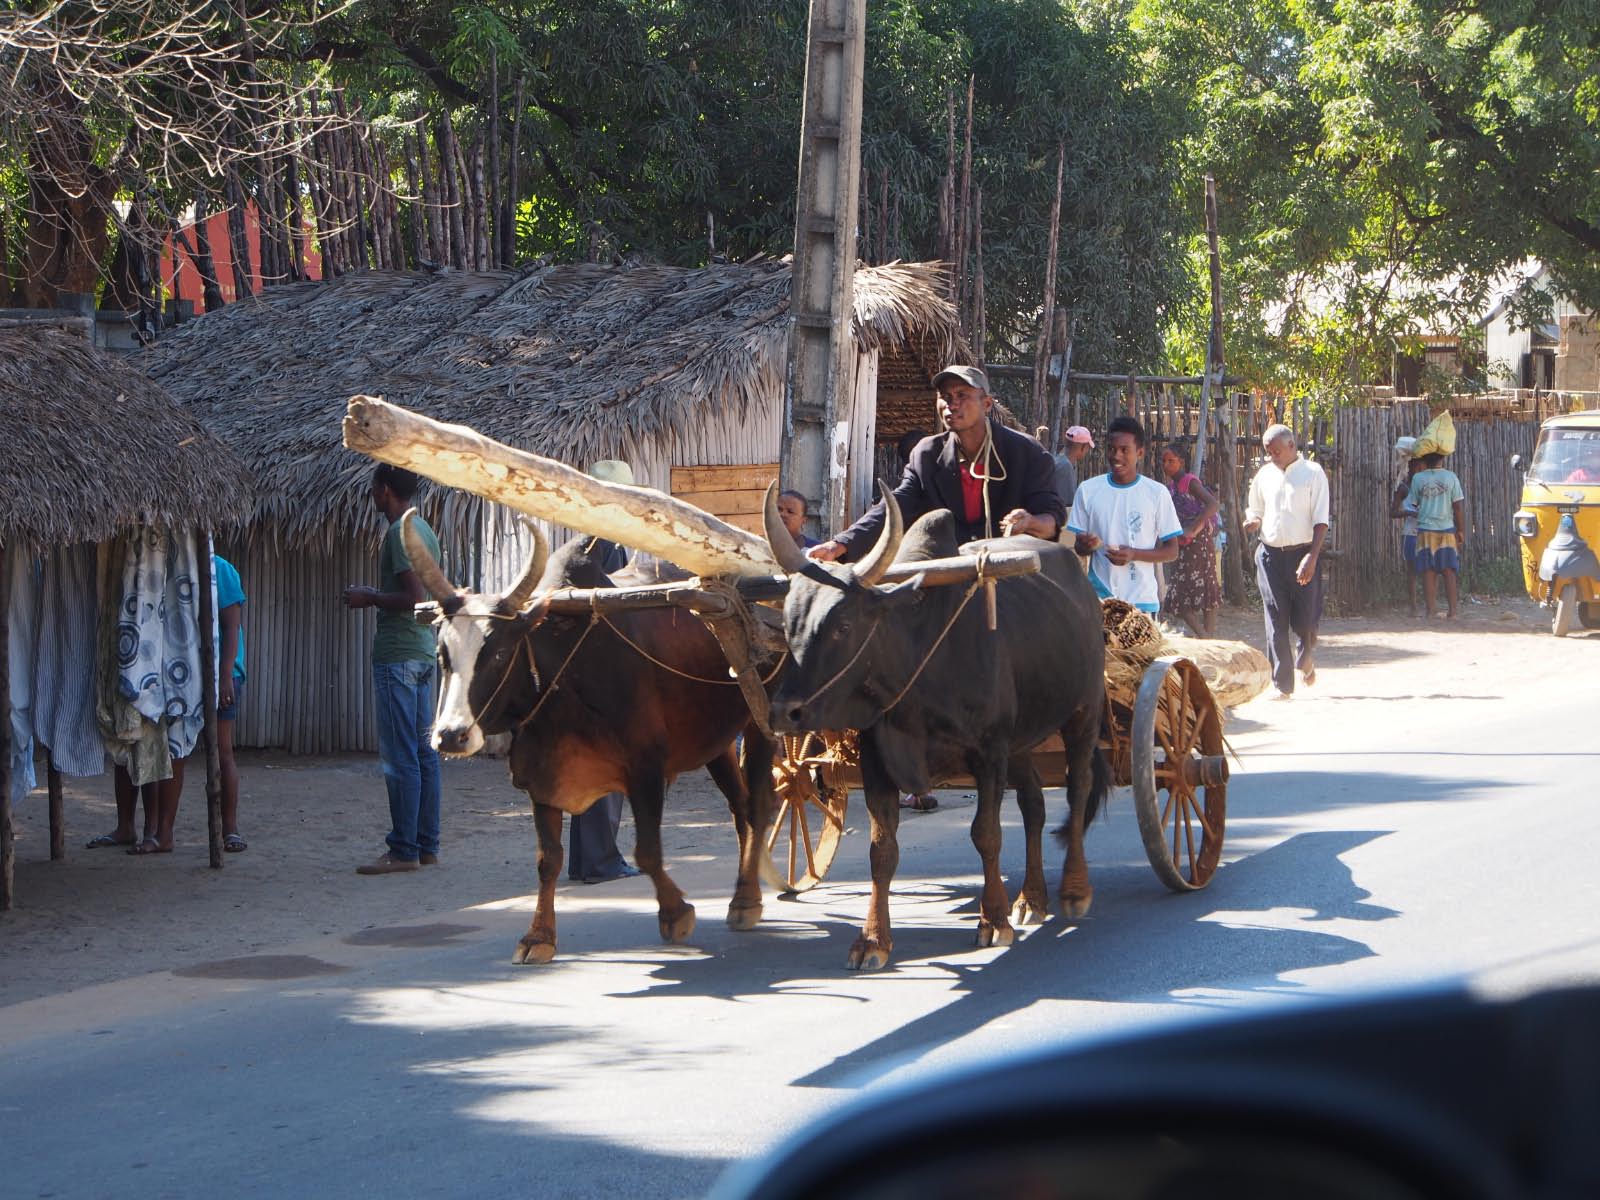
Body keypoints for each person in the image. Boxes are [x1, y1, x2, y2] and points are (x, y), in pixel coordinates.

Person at [808, 365, 1065, 564]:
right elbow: (896, 505)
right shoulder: (927, 454)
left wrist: (1029, 522)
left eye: (962, 395)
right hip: (947, 574)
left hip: (1013, 578)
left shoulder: (1027, 452)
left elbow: (1052, 519)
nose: (951, 403)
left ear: (986, 404)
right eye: (945, 396)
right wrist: (841, 544)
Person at [89, 551, 248, 855]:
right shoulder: (160, 567)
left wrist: (225, 673)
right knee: (161, 748)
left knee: (222, 750)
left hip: (220, 673)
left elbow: (231, 625)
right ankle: (153, 830)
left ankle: (229, 830)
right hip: (177, 673)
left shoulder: (221, 570)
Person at [343, 464, 443, 874]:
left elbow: (413, 597)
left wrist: (369, 597)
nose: (371, 494)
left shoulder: (399, 533)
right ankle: (426, 844)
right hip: (421, 652)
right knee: (423, 754)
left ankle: (404, 849)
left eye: (373, 488)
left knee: (401, 755)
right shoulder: (426, 530)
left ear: (384, 490)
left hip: (398, 654)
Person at [567, 460, 644, 883]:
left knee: (592, 764)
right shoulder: (603, 543)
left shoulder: (588, 541)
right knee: (609, 764)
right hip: (601, 670)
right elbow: (611, 602)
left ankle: (587, 859)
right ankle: (600, 860)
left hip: (582, 669)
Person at [1243, 424, 1329, 699]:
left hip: (1303, 553)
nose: (1272, 457)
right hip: (1269, 556)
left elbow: (1321, 521)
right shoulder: (1265, 474)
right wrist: (1253, 520)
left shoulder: (1313, 474)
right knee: (1276, 620)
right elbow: (1255, 507)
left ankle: (1306, 658)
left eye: (1276, 451)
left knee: (1306, 622)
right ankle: (1283, 685)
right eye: (1268, 452)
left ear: (1292, 445)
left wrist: (1312, 557)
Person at [1067, 415, 1183, 612]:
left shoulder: (1156, 493)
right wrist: (1085, 544)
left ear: (1139, 452)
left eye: (1124, 450)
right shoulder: (1088, 490)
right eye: (1112, 449)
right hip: (1099, 598)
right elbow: (1079, 548)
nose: (1116, 455)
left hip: (1142, 601)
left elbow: (1172, 551)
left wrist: (1134, 554)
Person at [1159, 444, 1222, 637]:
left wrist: (1194, 527)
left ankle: (1207, 638)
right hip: (1182, 544)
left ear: (1182, 462)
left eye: (1171, 461)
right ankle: (1206, 638)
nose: (1166, 465)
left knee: (1205, 589)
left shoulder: (1189, 482)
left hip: (1198, 543)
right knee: (1179, 594)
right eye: (1164, 461)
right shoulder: (1169, 489)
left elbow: (1213, 504)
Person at [1405, 450, 1466, 620]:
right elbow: (1458, 507)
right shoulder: (1451, 477)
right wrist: (1461, 530)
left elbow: (1413, 504)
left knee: (1428, 571)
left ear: (1424, 459)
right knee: (1449, 571)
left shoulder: (1418, 479)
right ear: (1443, 458)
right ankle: (1453, 611)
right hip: (1446, 529)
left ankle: (1431, 611)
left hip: (1425, 530)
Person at [1389, 437, 1423, 615]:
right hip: (1410, 533)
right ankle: (1413, 606)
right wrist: (1409, 513)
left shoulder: (1424, 485)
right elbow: (1392, 512)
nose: (1420, 469)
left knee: (1427, 569)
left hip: (1424, 532)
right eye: (1418, 466)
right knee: (1412, 572)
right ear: (1411, 467)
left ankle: (1425, 605)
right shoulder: (1404, 487)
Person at [1053, 425, 1094, 509]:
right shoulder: (1065, 467)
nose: (1087, 451)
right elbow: (1067, 506)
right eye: (1087, 448)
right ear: (1083, 447)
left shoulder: (1059, 460)